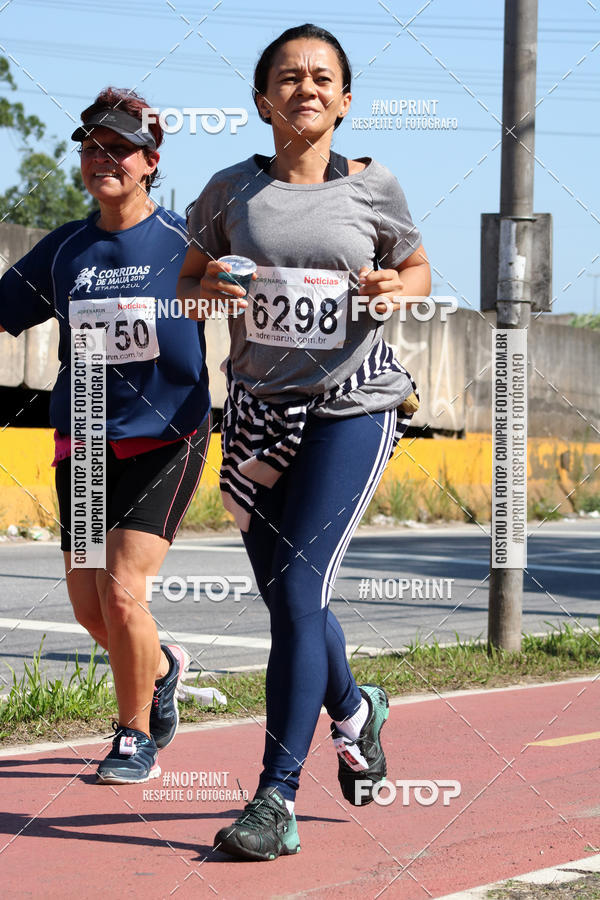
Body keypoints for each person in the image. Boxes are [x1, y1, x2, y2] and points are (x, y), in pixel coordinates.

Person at [178, 23, 430, 860]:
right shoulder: (228, 193)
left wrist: (397, 286)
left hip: (354, 405)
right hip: (258, 412)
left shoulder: (374, 188)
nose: (306, 88)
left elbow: (417, 266)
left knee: (298, 590)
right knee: (294, 599)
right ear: (262, 101)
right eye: (288, 77)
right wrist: (209, 287)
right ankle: (356, 710)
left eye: (323, 77)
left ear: (346, 100)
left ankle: (274, 800)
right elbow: (188, 285)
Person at [0, 88, 211, 784]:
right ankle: (163, 665)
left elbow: (255, 293)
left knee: (123, 592)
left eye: (118, 148)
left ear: (150, 161)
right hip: (85, 439)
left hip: (166, 435)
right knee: (91, 607)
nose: (102, 160)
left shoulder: (188, 242)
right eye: (91, 148)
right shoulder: (65, 250)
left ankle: (131, 737)